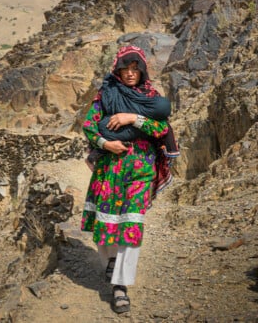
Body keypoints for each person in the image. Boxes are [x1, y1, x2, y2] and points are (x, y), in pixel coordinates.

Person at [80, 45, 178, 314]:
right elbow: (89, 125)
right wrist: (105, 143)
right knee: (106, 223)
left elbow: (161, 127)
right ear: (118, 70)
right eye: (126, 68)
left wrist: (132, 118)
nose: (131, 73)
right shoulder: (105, 95)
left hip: (141, 168)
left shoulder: (151, 97)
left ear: (142, 70)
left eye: (136, 68)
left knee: (131, 223)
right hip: (110, 167)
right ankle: (110, 264)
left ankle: (120, 287)